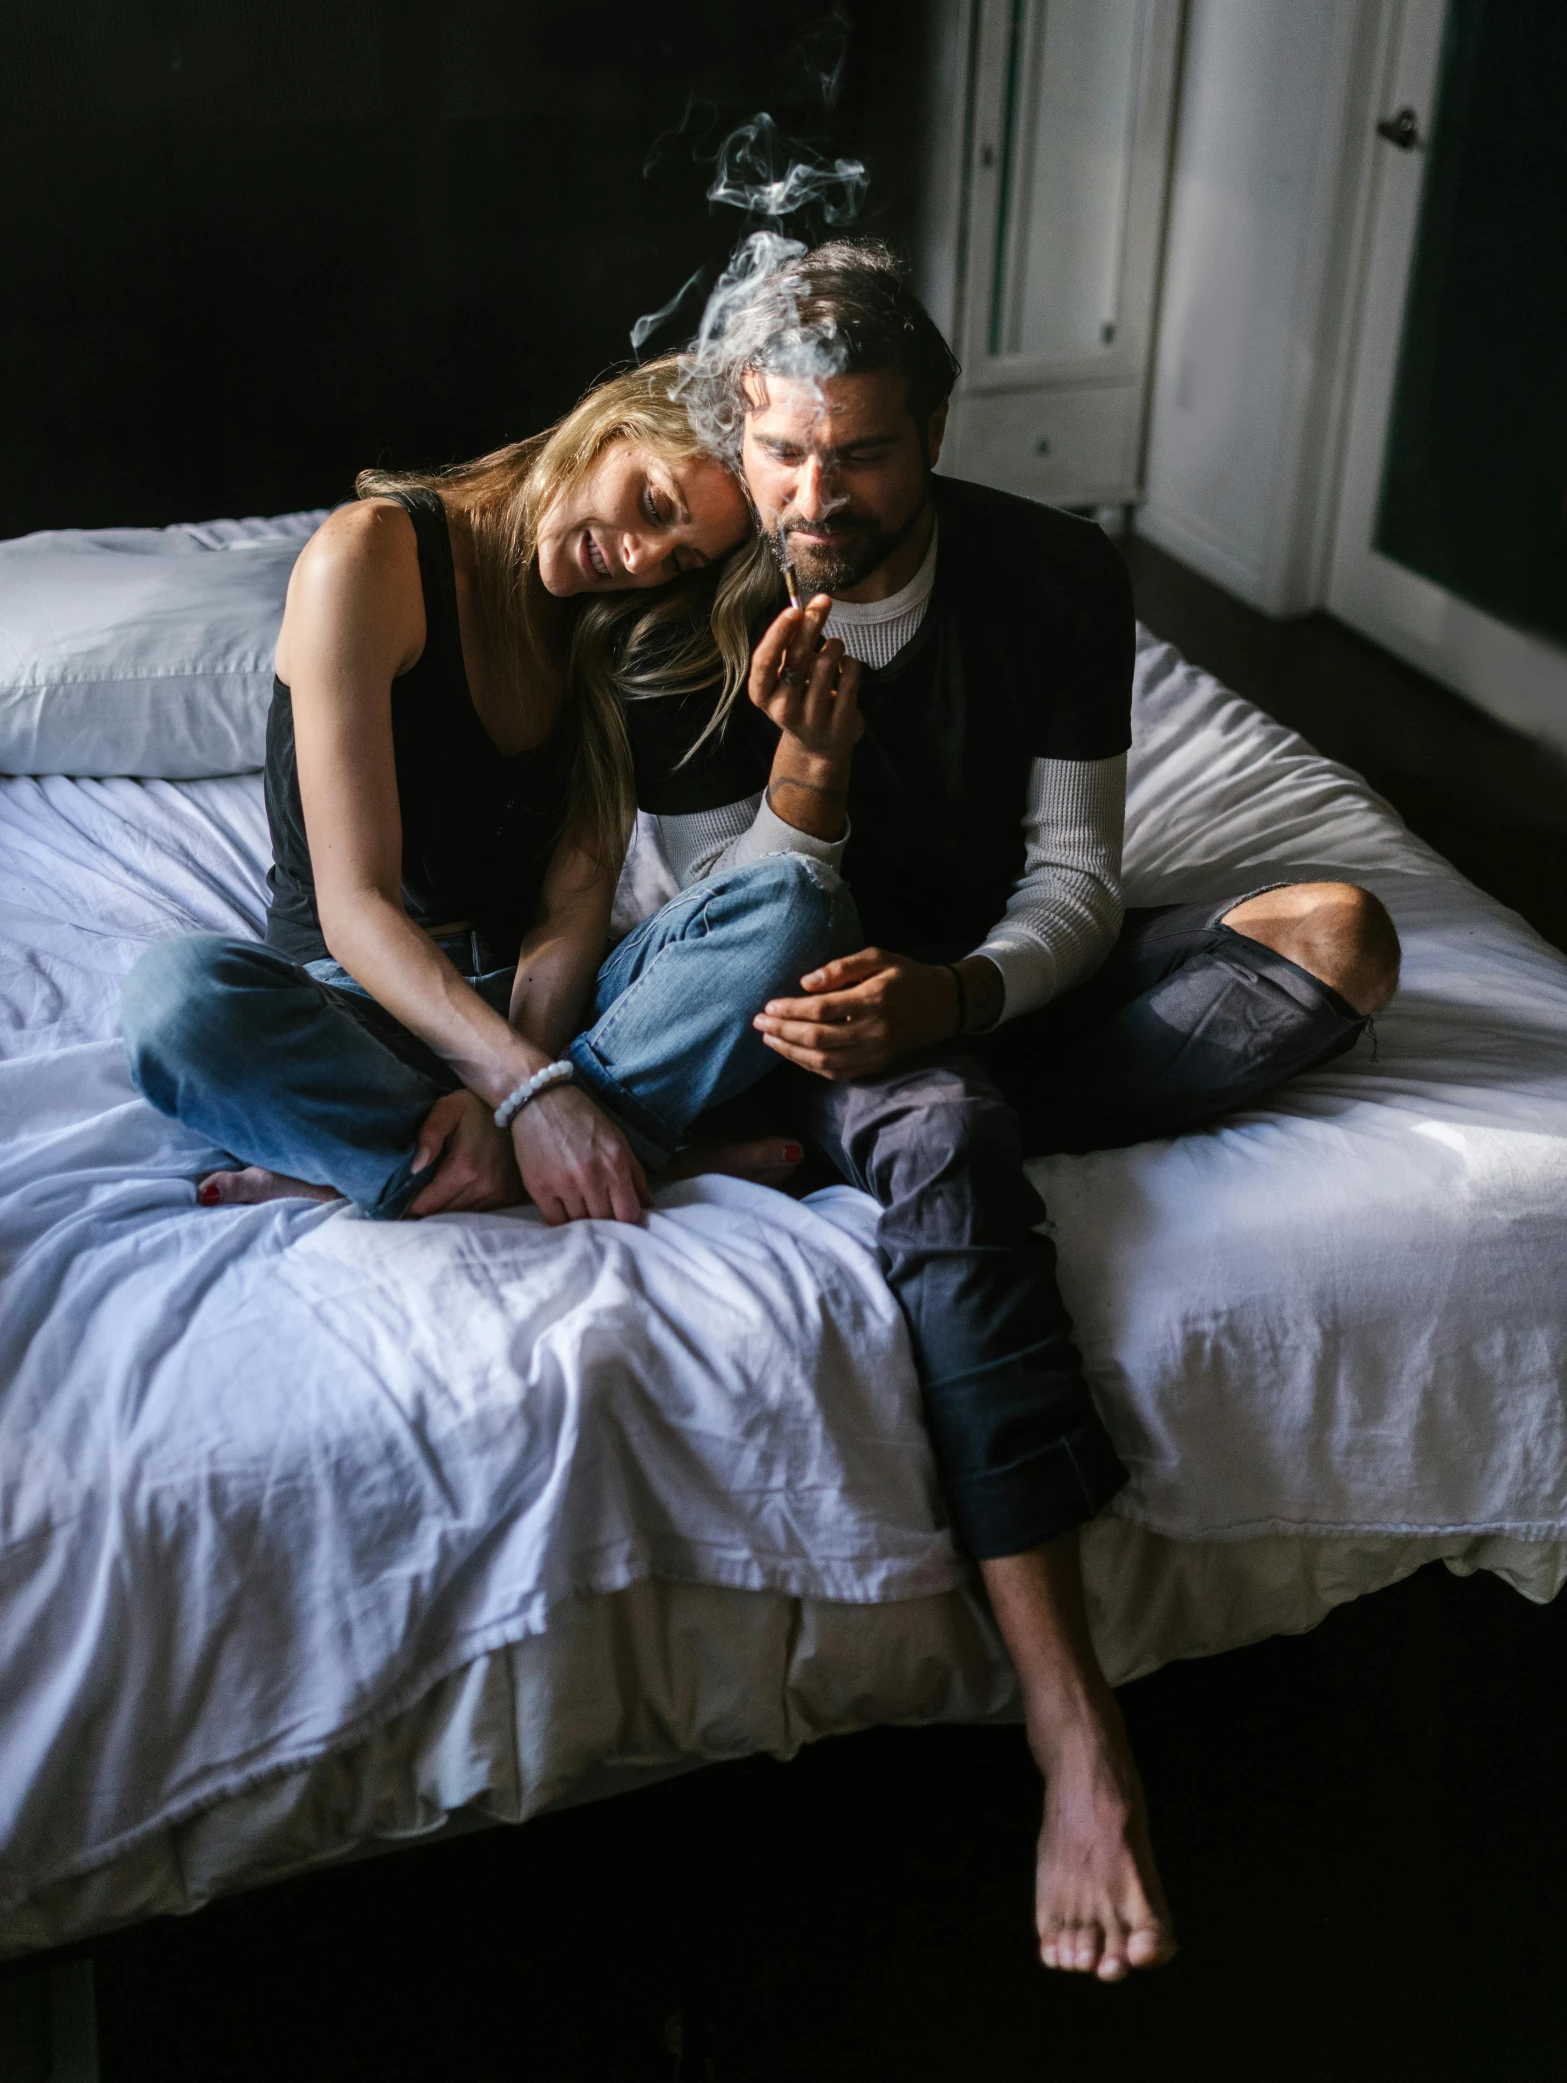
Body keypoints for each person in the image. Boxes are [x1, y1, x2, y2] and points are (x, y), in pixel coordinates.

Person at [628, 239, 1402, 1982]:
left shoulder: (1053, 577)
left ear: (937, 436)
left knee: (1339, 937)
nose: (815, 496)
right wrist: (807, 806)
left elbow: (1072, 874)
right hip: (811, 1012)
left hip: (982, 985)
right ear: (738, 439)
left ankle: (934, 1127)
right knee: (944, 1125)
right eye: (780, 455)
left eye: (864, 455)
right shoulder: (684, 615)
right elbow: (713, 937)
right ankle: (1075, 1730)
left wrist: (962, 998)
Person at [123, 359, 860, 1224]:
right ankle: (608, 1141)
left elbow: (573, 909)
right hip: (364, 1004)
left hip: (547, 1010)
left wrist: (531, 1082)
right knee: (178, 1003)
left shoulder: (608, 630)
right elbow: (354, 906)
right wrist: (534, 1095)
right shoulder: (367, 557)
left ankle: (425, 1161)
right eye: (655, 506)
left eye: (679, 559)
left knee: (798, 904)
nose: (641, 560)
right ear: (611, 424)